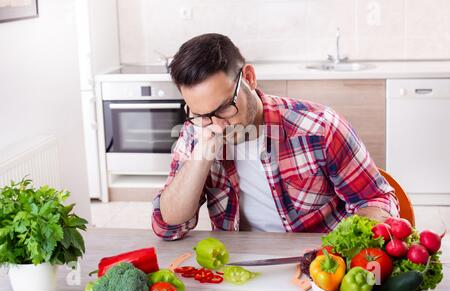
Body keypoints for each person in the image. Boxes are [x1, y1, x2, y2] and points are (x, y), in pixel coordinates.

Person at [151, 33, 399, 241]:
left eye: (225, 107)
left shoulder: (320, 127)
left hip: (320, 269)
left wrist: (348, 252)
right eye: (202, 114)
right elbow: (168, 226)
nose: (217, 125)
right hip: (241, 270)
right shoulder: (199, 132)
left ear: (248, 78)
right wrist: (204, 149)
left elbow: (375, 198)